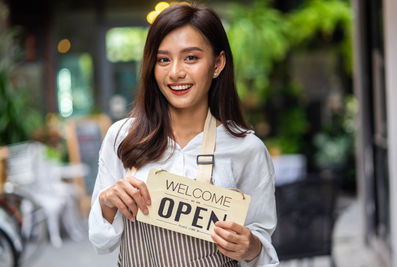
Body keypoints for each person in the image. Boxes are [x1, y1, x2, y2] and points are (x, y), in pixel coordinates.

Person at [89, 4, 279, 267]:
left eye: (191, 58)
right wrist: (107, 202)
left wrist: (251, 246)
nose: (176, 72)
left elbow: (262, 249)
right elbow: (101, 242)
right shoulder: (122, 137)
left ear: (217, 63)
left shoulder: (247, 149)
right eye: (163, 59)